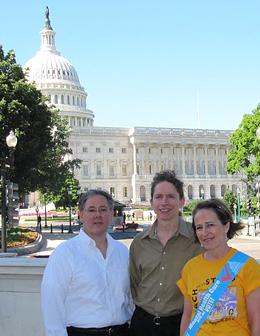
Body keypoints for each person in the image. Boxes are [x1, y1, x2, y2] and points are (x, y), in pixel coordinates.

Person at [41, 189, 133, 336]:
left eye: (103, 209)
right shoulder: (65, 253)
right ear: (81, 216)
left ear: (111, 214)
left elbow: (129, 298)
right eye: (91, 210)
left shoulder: (122, 252)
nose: (98, 215)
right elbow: (52, 305)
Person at [129, 170, 203, 336]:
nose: (164, 202)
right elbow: (135, 284)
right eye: (159, 197)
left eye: (171, 196)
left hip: (180, 323)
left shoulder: (197, 241)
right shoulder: (139, 243)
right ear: (152, 203)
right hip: (143, 324)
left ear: (182, 201)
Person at [177, 198, 260, 335]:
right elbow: (187, 316)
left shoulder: (248, 266)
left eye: (210, 225)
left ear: (226, 226)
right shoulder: (190, 268)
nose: (204, 233)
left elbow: (256, 322)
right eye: (199, 227)